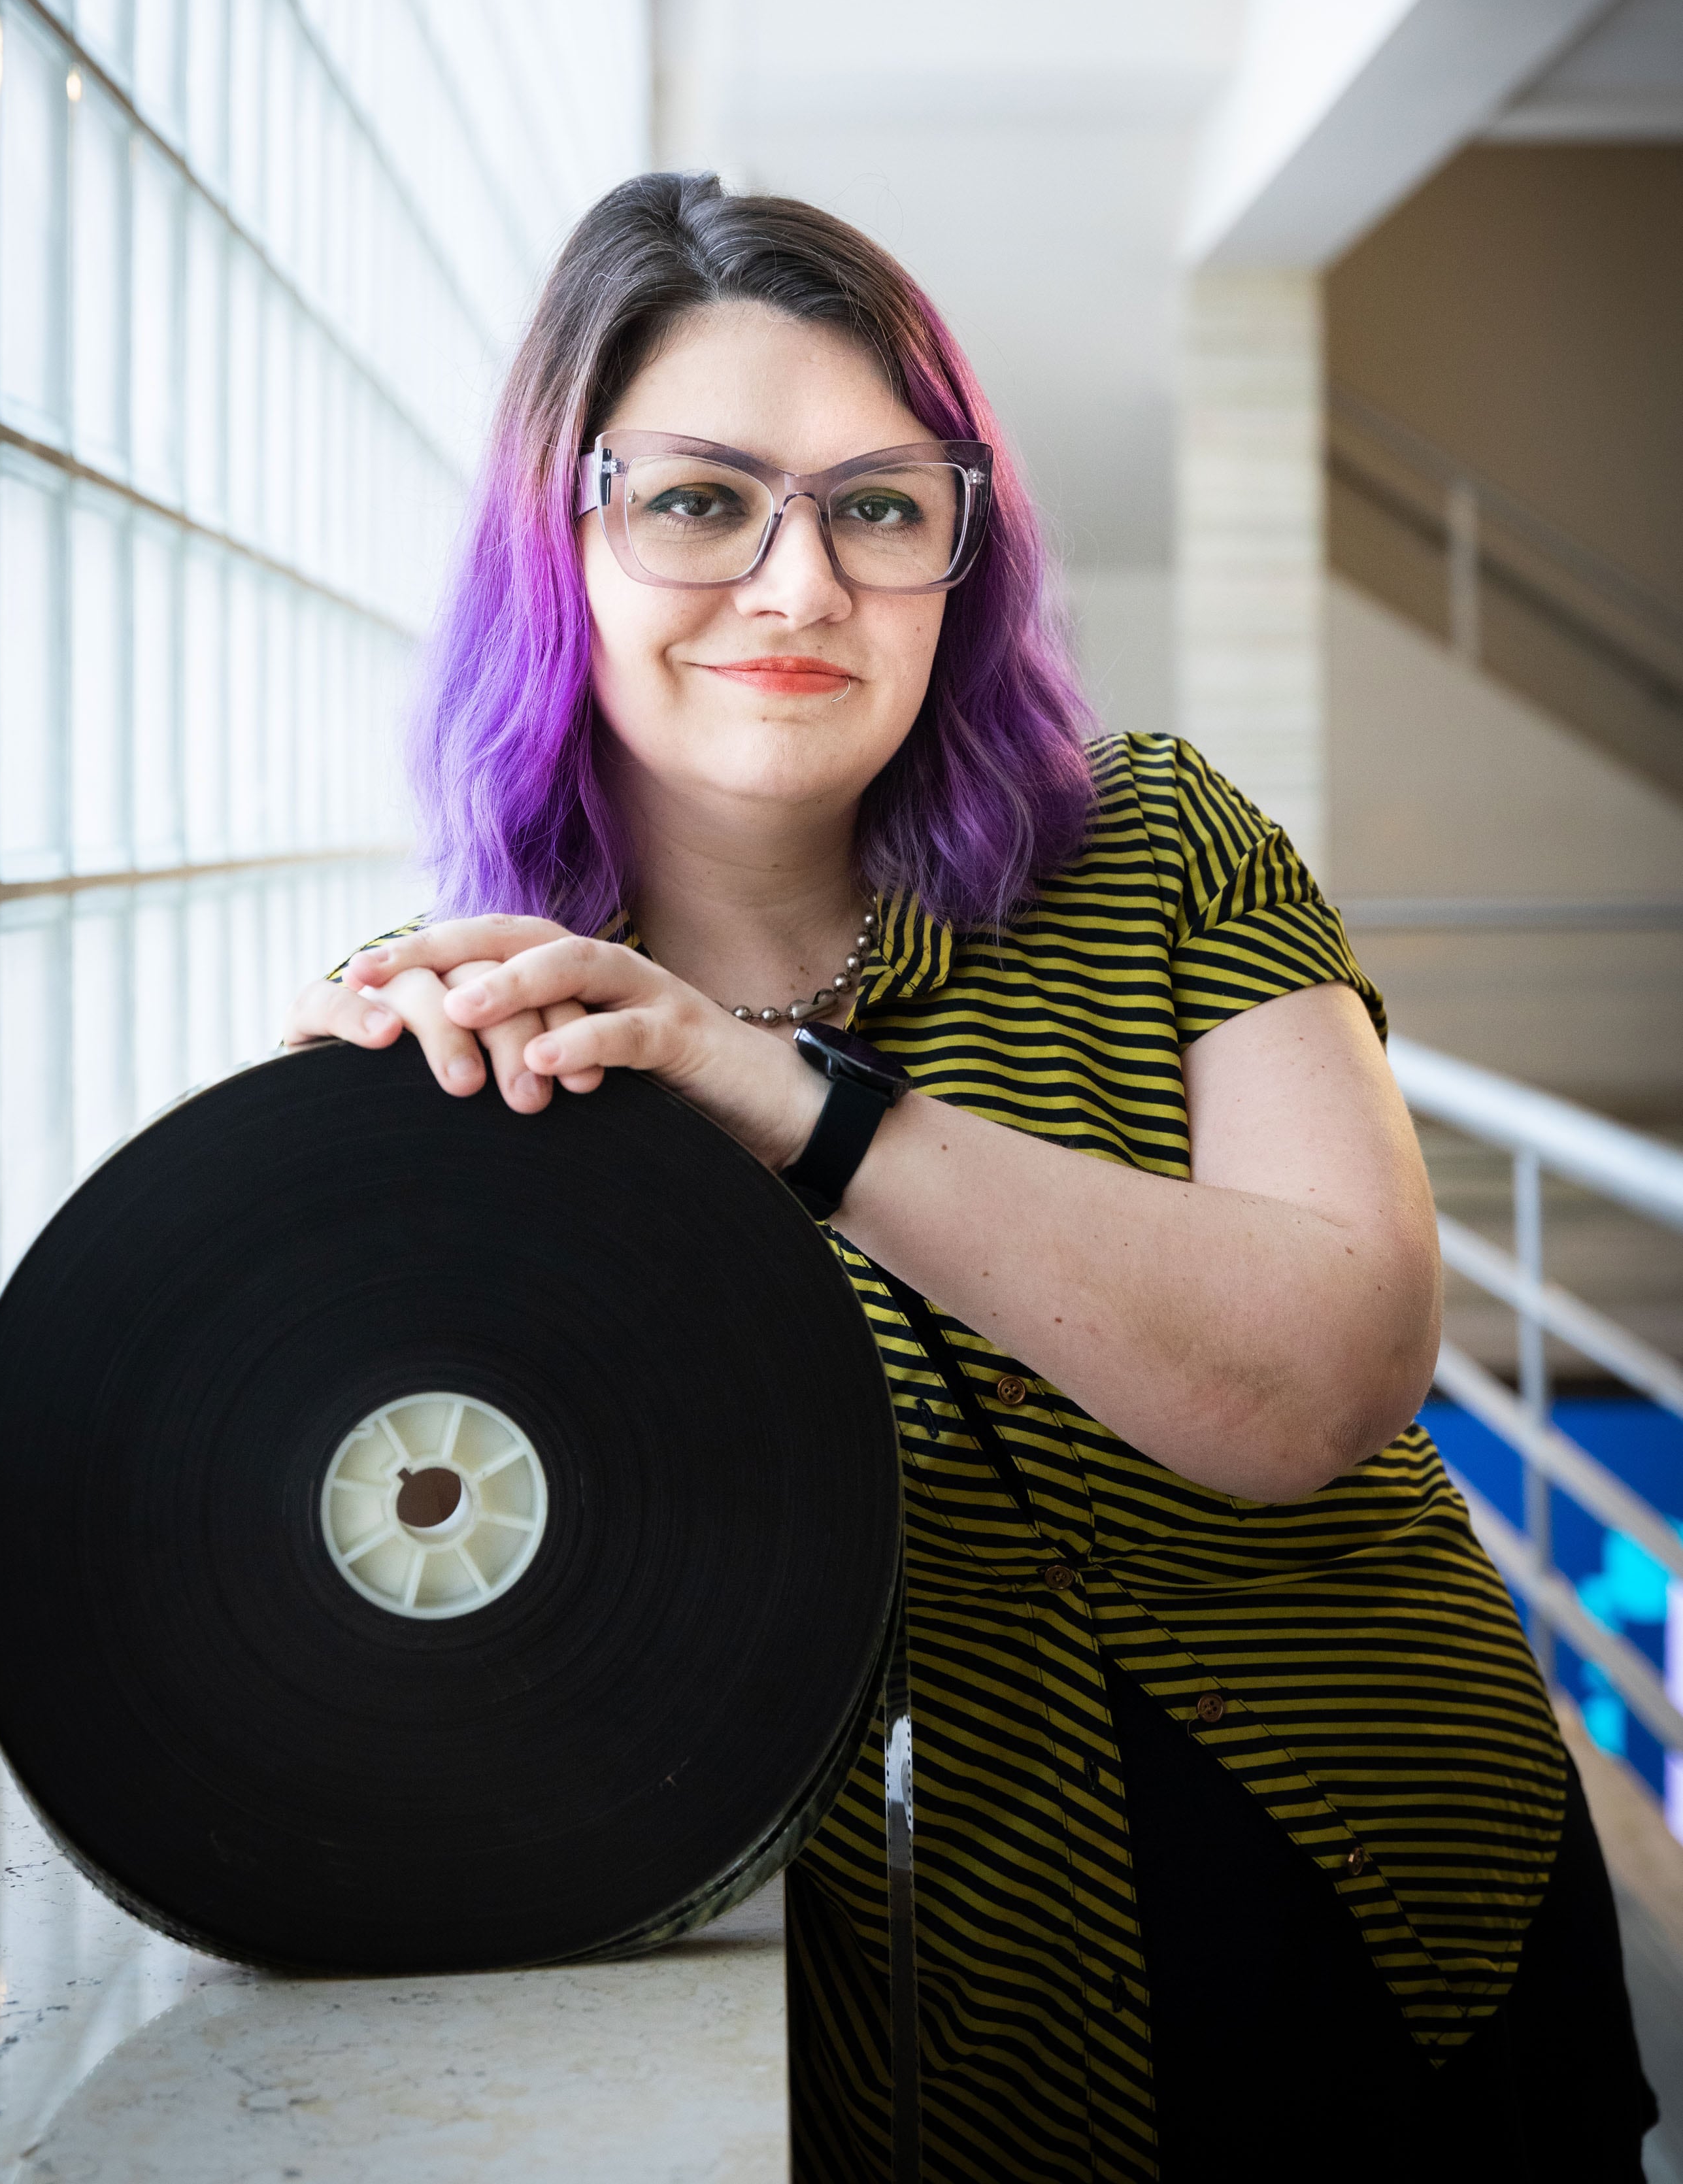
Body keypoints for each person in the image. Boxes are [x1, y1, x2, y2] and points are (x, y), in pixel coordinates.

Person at [284, 174, 1655, 2183]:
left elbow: (1331, 1369)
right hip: (909, 2028)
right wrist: (311, 1223)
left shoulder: (1163, 846)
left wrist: (780, 1099)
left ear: (958, 552)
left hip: (1399, 1924)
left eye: (876, 502)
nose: (793, 585)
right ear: (554, 531)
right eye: (694, 498)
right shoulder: (474, 1052)